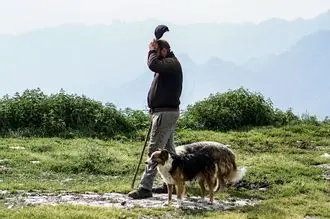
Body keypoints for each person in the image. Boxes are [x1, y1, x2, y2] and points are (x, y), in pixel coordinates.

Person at [128, 39, 183, 199]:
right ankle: (170, 183)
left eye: (157, 51)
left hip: (165, 114)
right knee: (169, 151)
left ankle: (145, 188)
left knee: (154, 150)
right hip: (165, 113)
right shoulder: (169, 63)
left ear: (164, 51)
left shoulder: (171, 63)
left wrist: (151, 50)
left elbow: (153, 65)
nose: (155, 56)